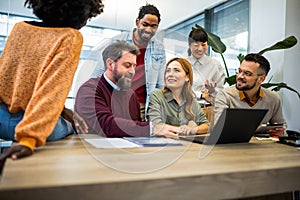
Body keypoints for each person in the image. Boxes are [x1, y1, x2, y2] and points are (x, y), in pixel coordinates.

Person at [0, 0, 104, 171]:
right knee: (76, 129)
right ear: (83, 11)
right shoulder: (70, 37)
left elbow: (5, 80)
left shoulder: (19, 29)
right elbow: (51, 91)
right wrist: (28, 139)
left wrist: (62, 110)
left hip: (2, 120)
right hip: (33, 131)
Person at [79, 3, 166, 122]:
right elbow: (99, 73)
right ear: (137, 22)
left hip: (141, 105)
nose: (148, 30)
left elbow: (160, 85)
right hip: (116, 101)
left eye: (153, 26)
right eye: (145, 24)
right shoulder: (117, 41)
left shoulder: (159, 48)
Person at [74, 40, 150, 137]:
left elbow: (136, 127)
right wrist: (153, 128)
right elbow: (106, 125)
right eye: (127, 65)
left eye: (134, 66)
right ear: (110, 64)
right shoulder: (89, 90)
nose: (132, 71)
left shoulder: (131, 95)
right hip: (95, 150)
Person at [214, 53, 286, 136]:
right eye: (239, 71)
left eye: (247, 73)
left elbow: (280, 127)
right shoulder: (225, 96)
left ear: (261, 79)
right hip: (231, 145)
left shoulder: (273, 98)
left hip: (261, 146)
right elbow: (219, 128)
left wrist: (279, 131)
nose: (240, 76)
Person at [147, 57, 210, 138]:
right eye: (168, 71)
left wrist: (193, 130)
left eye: (176, 70)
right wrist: (183, 130)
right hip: (161, 146)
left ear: (187, 77)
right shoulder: (157, 95)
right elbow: (156, 126)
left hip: (185, 145)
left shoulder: (191, 100)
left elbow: (207, 126)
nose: (170, 74)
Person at [187, 28, 225, 105]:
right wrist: (202, 95)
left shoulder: (215, 65)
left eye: (203, 45)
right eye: (196, 45)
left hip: (208, 109)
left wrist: (212, 90)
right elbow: (180, 90)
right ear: (189, 45)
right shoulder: (183, 64)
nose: (200, 49)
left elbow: (221, 93)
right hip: (187, 108)